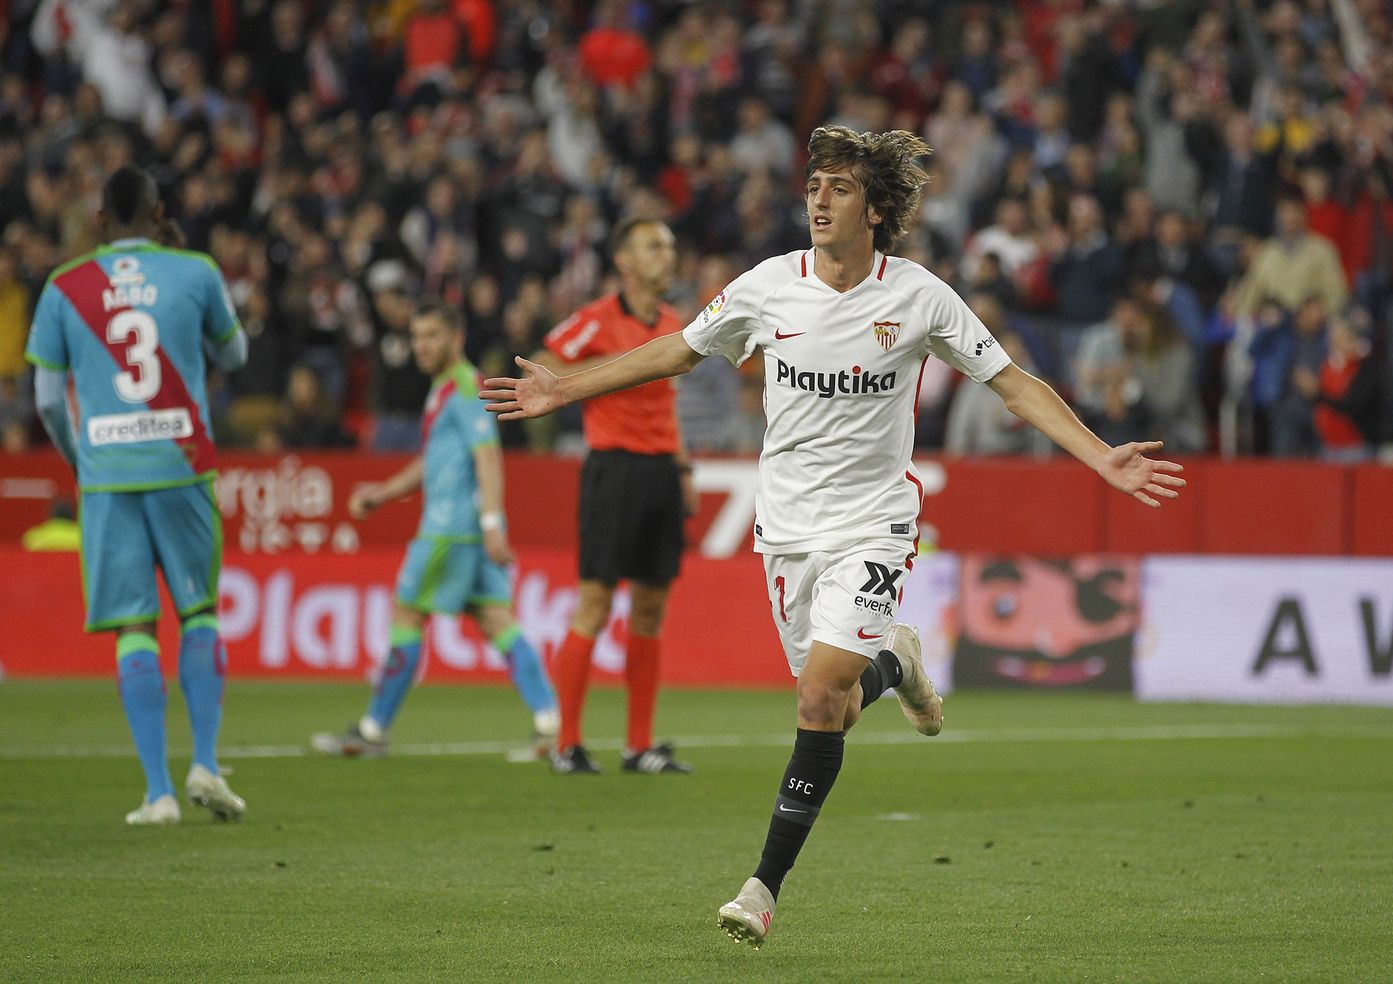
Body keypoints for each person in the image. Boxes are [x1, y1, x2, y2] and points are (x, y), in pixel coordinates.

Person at [481, 125, 1184, 948]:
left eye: (840, 188)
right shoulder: (768, 286)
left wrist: (1100, 456)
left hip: (875, 524)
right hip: (787, 530)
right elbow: (679, 350)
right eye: (815, 186)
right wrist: (567, 389)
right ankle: (899, 660)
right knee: (837, 707)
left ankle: (762, 888)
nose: (819, 200)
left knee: (817, 696)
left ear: (875, 209)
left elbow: (1012, 384)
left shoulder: (919, 297)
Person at [25, 165, 249, 825]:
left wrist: (82, 461)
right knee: (198, 613)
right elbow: (235, 356)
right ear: (159, 215)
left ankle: (158, 794)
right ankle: (205, 763)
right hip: (183, 465)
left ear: (100, 220)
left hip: (109, 476)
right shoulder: (196, 271)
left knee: (134, 627)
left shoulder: (64, 286)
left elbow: (46, 401)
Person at [311, 301, 559, 757]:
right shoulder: (444, 388)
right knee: (495, 619)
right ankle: (551, 725)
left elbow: (487, 455)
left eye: (431, 336)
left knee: (407, 614)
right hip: (469, 528)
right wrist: (383, 493)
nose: (421, 346)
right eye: (416, 336)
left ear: (455, 338)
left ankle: (372, 732)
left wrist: (491, 523)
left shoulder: (464, 388)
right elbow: (435, 461)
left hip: (451, 529)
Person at [533, 217, 697, 775]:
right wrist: (612, 372)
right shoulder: (595, 319)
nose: (666, 256)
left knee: (650, 609)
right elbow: (544, 364)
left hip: (661, 472)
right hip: (613, 469)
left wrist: (683, 469)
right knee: (596, 603)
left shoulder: (673, 324)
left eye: (669, 246)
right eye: (653, 246)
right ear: (624, 261)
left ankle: (638, 746)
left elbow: (668, 405)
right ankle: (567, 743)